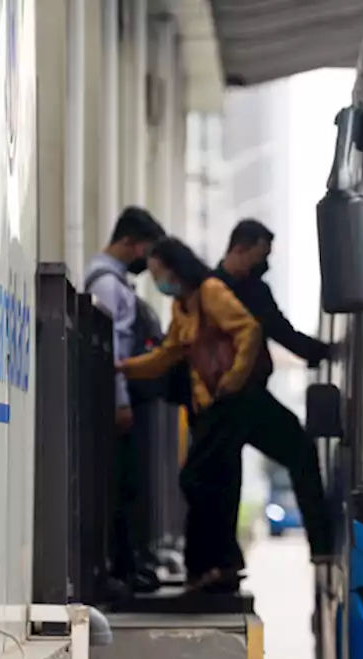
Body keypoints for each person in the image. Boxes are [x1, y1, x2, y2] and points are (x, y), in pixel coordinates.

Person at [119, 238, 263, 592]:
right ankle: (210, 567)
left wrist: (234, 377)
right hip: (206, 406)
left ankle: (215, 562)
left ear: (175, 267)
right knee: (211, 482)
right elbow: (168, 354)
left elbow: (249, 330)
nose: (157, 281)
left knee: (197, 479)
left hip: (227, 401)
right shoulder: (181, 308)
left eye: (159, 273)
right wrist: (125, 367)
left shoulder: (211, 292)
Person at [212, 219, 336, 564]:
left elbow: (281, 330)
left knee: (298, 452)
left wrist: (321, 352)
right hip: (227, 400)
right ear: (240, 249)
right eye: (260, 255)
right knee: (223, 480)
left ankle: (322, 545)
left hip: (247, 397)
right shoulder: (216, 291)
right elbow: (280, 332)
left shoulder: (248, 288)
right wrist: (324, 352)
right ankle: (221, 561)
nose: (264, 264)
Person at [84, 206, 166, 594]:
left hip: (119, 399)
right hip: (116, 402)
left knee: (127, 484)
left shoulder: (110, 282)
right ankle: (118, 569)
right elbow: (113, 346)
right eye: (145, 251)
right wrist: (120, 402)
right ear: (129, 242)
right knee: (119, 485)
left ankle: (127, 566)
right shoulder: (106, 284)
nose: (146, 263)